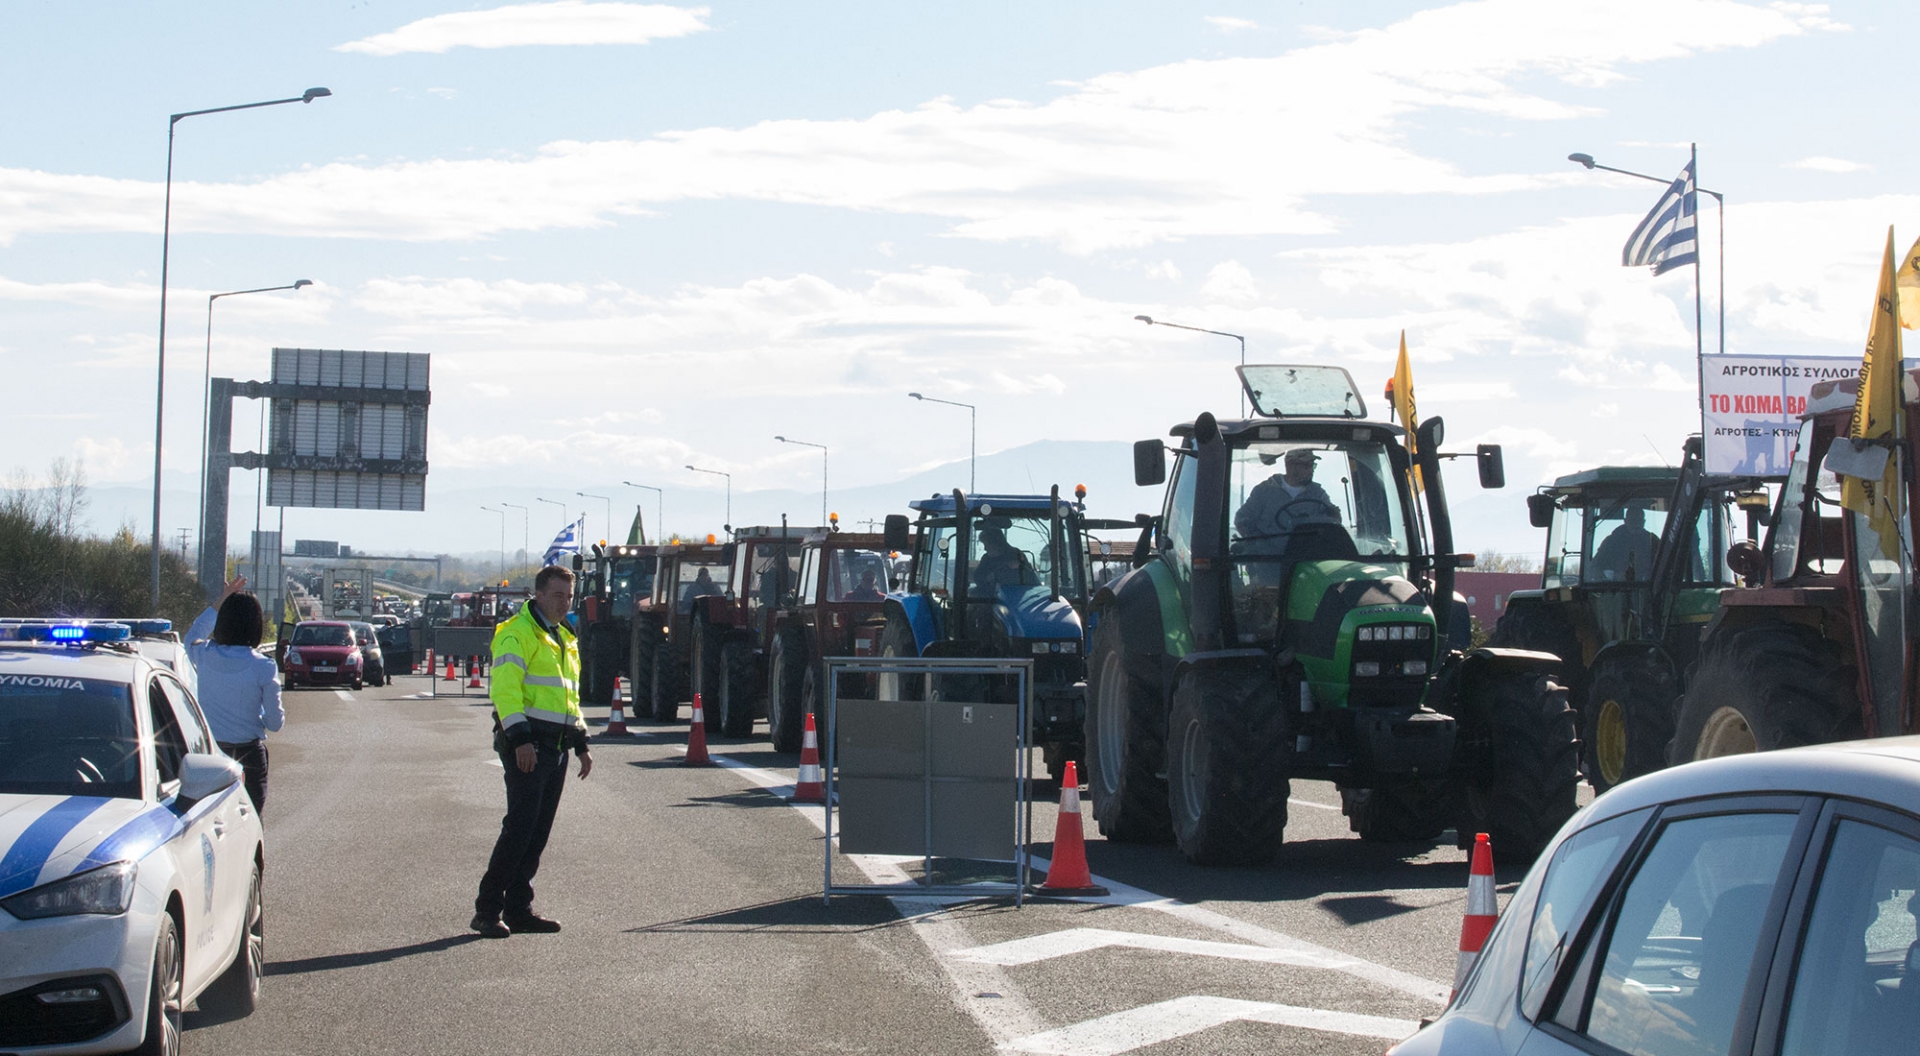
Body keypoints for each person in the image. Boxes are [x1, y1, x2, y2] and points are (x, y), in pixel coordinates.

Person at [472, 564, 591, 939]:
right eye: (557, 595)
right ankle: (487, 911)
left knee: (537, 833)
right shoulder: (517, 634)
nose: (564, 603)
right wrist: (521, 741)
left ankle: (519, 909)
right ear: (538, 595)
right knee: (519, 831)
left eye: (569, 597)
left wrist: (581, 743)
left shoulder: (563, 636)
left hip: (555, 747)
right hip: (528, 746)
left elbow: (569, 697)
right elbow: (505, 693)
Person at [185, 575, 284, 816]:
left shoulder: (204, 655)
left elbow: (194, 633)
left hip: (211, 756)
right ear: (256, 625)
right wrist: (256, 719)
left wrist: (224, 598)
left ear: (222, 622)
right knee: (249, 823)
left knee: (211, 822)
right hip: (250, 757)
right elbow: (275, 723)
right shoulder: (264, 666)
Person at [1233, 447, 1341, 554]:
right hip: (1268, 559)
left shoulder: (1318, 494)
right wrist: (1256, 545)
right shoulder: (1264, 490)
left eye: (1313, 465)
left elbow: (1333, 521)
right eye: (1307, 466)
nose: (1311, 470)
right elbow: (1242, 520)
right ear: (1290, 466)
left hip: (1305, 556)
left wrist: (1334, 516)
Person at [1592, 504, 1658, 582]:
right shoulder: (1612, 541)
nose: (1636, 524)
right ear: (1625, 521)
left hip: (1647, 586)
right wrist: (1613, 577)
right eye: (1632, 520)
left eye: (1639, 520)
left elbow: (1663, 565)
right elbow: (1595, 567)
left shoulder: (1653, 541)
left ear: (1644, 522)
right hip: (1617, 587)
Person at [971, 526, 1035, 595]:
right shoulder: (986, 558)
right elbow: (977, 577)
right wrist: (988, 577)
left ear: (996, 543)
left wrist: (1013, 570)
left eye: (987, 544)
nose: (985, 548)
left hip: (1015, 595)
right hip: (989, 597)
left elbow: (1030, 577)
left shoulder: (1016, 555)